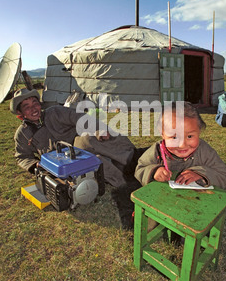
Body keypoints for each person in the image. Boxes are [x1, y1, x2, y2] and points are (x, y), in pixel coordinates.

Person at [10, 88, 144, 226]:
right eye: (27, 107)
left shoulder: (55, 112)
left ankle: (133, 159)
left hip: (77, 145)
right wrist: (35, 165)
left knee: (89, 139)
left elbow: (81, 119)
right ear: (20, 115)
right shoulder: (23, 134)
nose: (33, 108)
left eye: (35, 103)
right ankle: (124, 184)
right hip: (59, 163)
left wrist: (98, 130)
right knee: (98, 161)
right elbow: (22, 156)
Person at [135, 102, 226, 189]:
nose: (182, 145)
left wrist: (201, 174)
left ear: (199, 131)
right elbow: (140, 169)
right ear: (163, 135)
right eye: (174, 137)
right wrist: (154, 172)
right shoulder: (157, 151)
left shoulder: (205, 152)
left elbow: (224, 175)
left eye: (189, 136)